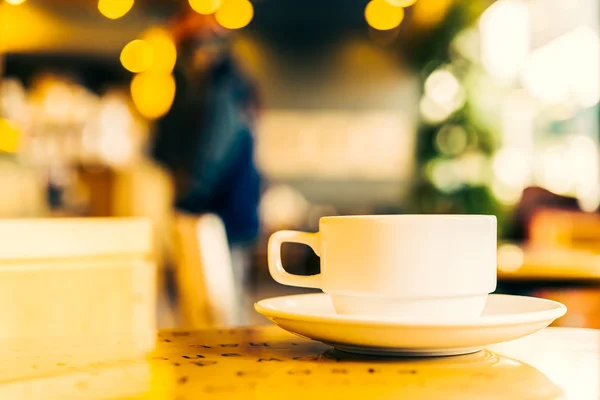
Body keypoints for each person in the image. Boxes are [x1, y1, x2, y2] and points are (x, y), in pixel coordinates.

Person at [151, 9, 261, 325]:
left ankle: (220, 373)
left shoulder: (221, 89)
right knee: (214, 312)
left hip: (216, 217)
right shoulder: (214, 86)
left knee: (218, 315)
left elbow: (212, 155)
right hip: (219, 214)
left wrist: (186, 199)